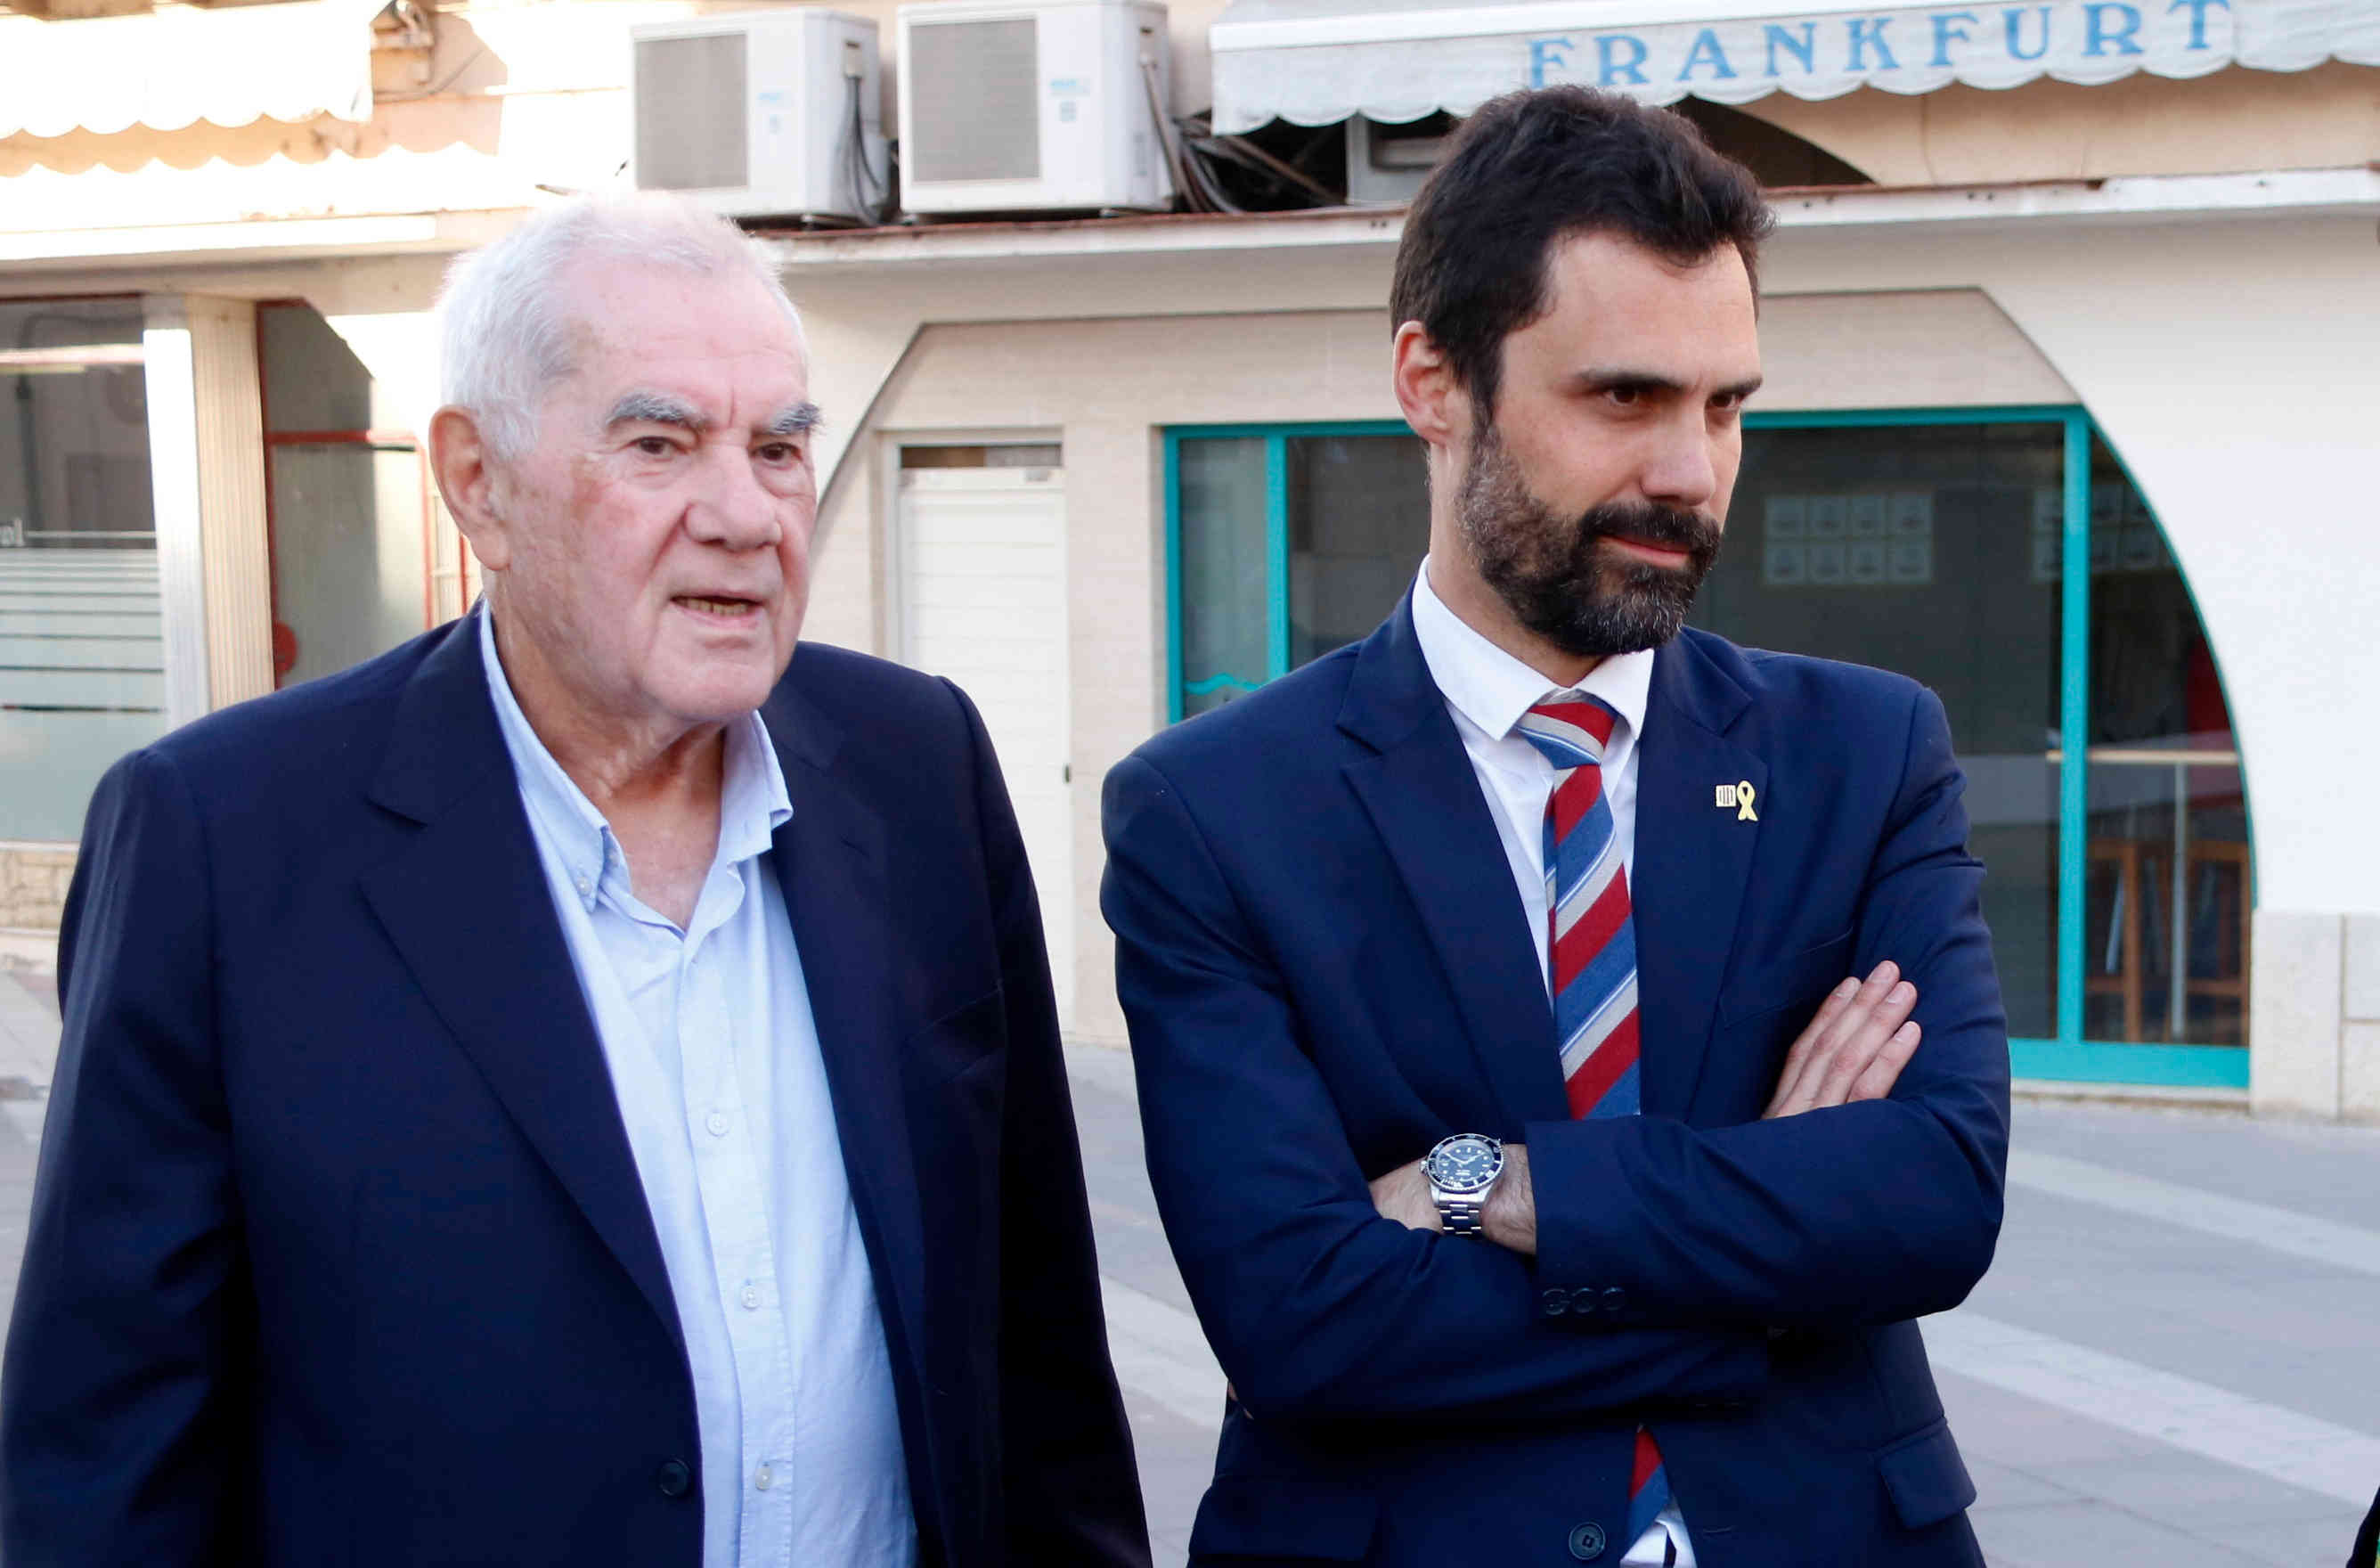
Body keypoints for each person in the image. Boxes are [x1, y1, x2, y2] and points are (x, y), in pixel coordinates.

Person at [1, 196, 1149, 1568]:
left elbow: (1034, 1344)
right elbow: (105, 1452)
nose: (746, 514)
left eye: (780, 447)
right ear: (478, 480)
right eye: (660, 445)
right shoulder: (223, 839)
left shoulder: (917, 769)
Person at [1102, 86, 2008, 1566]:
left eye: (1727, 407)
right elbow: (1306, 1323)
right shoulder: (1214, 814)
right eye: (1624, 399)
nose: (1689, 472)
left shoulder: (1864, 753)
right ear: (1432, 380)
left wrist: (1491, 1183)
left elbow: (1932, 1204)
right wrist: (1769, 1254)